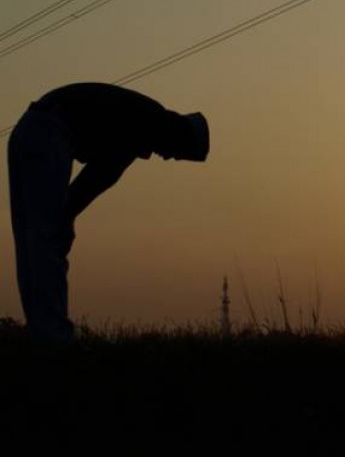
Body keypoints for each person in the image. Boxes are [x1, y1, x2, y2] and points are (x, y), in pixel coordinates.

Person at [7, 82, 209, 342]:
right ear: (179, 133)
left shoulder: (144, 120)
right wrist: (67, 216)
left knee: (32, 241)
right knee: (47, 239)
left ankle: (42, 331)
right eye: (177, 152)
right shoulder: (145, 124)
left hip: (29, 129)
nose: (169, 157)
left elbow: (95, 179)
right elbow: (98, 177)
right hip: (49, 132)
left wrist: (68, 214)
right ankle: (53, 335)